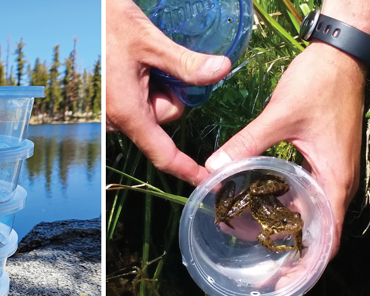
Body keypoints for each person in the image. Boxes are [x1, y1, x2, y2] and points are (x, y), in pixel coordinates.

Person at [106, 0, 368, 257]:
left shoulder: (288, 221)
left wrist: (339, 57)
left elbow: (280, 231)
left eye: (290, 223)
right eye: (290, 223)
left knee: (246, 206)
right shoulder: (273, 223)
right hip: (256, 198)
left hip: (262, 199)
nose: (293, 225)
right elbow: (267, 236)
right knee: (234, 209)